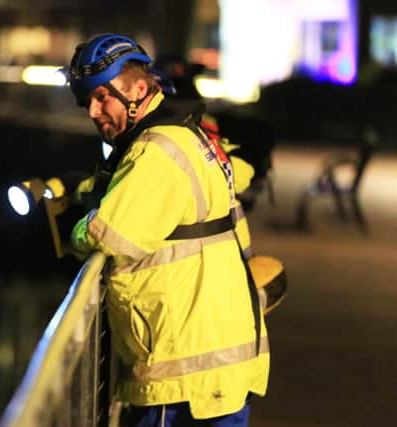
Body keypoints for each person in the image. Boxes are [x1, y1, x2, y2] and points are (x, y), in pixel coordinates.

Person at [66, 33, 269, 427]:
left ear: (139, 89)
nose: (92, 111)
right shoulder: (185, 135)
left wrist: (77, 227)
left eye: (101, 96)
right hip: (215, 365)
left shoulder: (156, 150)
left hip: (184, 378)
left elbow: (109, 235)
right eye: (85, 100)